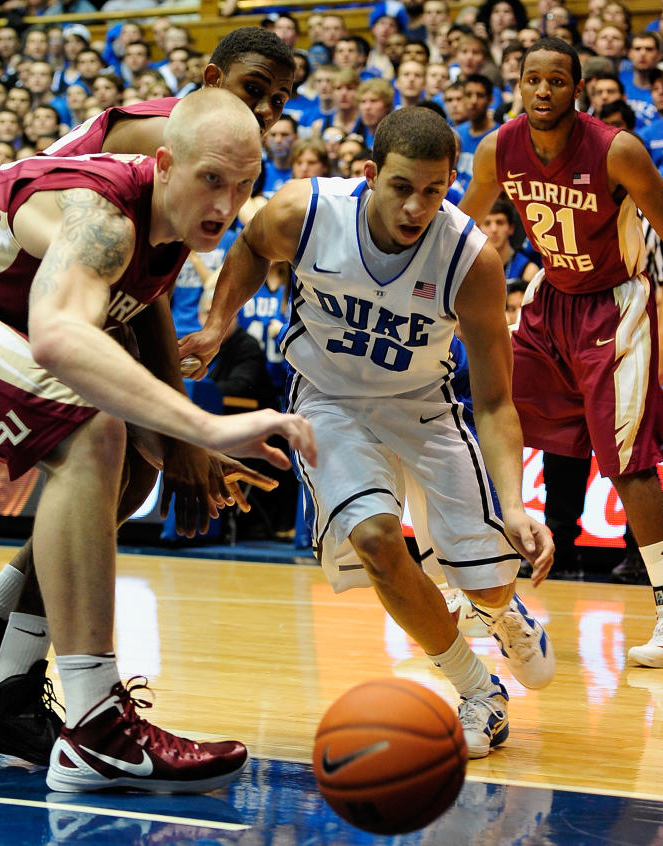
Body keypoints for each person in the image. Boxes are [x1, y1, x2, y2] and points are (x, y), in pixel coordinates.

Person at [0, 88, 316, 793]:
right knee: (89, 430)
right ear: (165, 163)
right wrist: (204, 425)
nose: (227, 206)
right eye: (211, 180)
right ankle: (98, 723)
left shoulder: (166, 236)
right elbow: (58, 336)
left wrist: (182, 450)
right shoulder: (101, 212)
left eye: (244, 185)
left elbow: (116, 358)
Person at [0, 25, 297, 767]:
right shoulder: (176, 140)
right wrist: (186, 432)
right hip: (8, 290)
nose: (269, 110)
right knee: (108, 450)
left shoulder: (211, 154)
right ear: (213, 76)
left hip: (62, 294)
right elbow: (138, 285)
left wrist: (178, 432)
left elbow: (142, 279)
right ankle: (18, 672)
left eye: (281, 102)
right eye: (256, 90)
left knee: (127, 469)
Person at [180, 106, 555, 759]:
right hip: (329, 402)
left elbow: (494, 401)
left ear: (451, 184)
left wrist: (516, 503)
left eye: (434, 192)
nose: (416, 207)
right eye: (402, 187)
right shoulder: (305, 211)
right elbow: (247, 250)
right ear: (369, 174)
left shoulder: (471, 260)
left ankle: (500, 608)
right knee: (380, 542)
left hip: (427, 409)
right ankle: (479, 691)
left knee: (487, 580)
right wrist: (217, 325)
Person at [459, 38, 663, 668]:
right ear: (520, 84)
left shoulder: (618, 150)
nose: (543, 91)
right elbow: (457, 226)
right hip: (550, 298)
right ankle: (477, 580)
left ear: (576, 89)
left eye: (557, 81)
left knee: (627, 460)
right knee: (487, 415)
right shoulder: (497, 149)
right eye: (533, 80)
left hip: (614, 305)